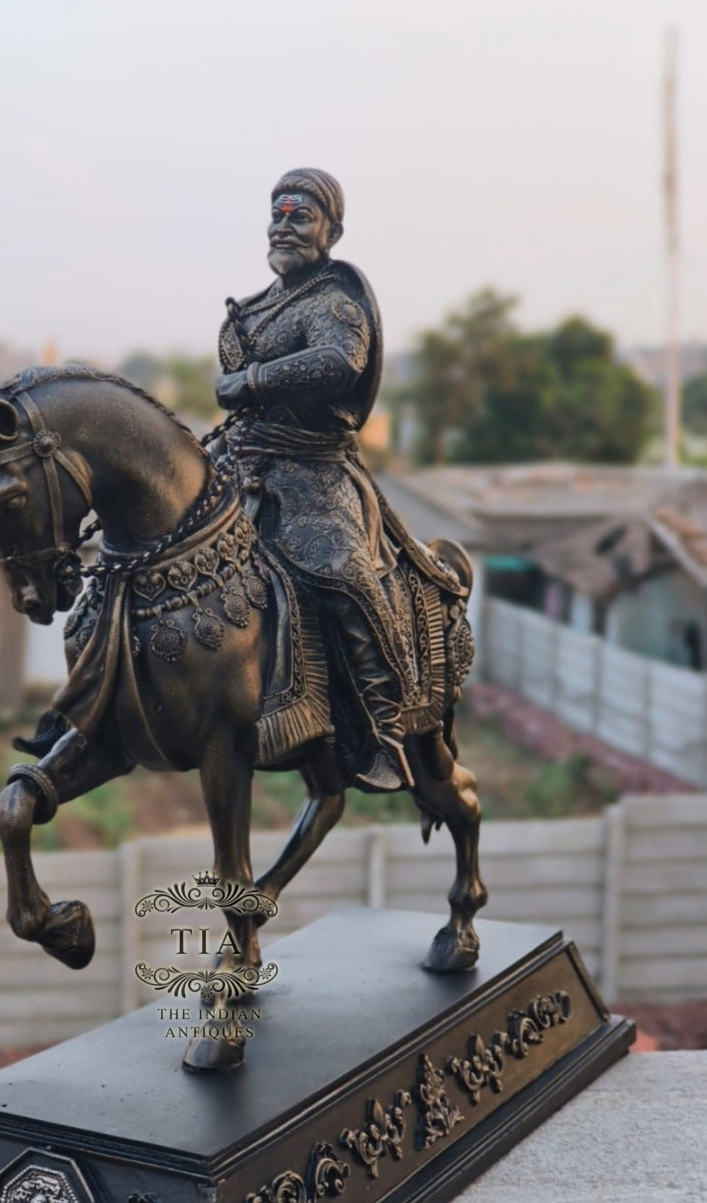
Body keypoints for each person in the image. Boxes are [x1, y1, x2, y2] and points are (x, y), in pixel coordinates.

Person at [210, 167, 460, 790]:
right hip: (241, 460)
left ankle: (387, 730)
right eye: (278, 213)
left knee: (342, 570)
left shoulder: (335, 304)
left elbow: (336, 361)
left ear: (332, 230)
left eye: (300, 215)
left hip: (314, 472)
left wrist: (252, 382)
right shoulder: (258, 308)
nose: (284, 224)